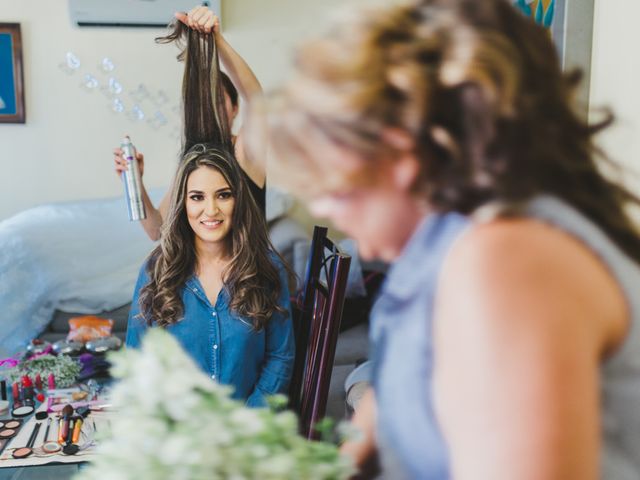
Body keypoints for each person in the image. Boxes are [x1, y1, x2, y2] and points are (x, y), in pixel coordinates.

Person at [258, 0, 640, 478]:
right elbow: (400, 391)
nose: (323, 210)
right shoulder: (435, 246)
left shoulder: (506, 260)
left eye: (335, 188)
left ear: (400, 155)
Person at [125, 144, 294, 407]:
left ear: (238, 200)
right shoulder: (155, 271)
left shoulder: (267, 269)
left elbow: (280, 357)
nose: (211, 210)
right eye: (197, 197)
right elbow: (137, 360)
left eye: (223, 195)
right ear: (183, 204)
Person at [114, 4, 265, 241]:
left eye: (218, 99)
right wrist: (135, 181)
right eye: (201, 101)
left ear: (235, 109)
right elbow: (157, 230)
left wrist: (217, 40)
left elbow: (256, 99)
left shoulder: (246, 152)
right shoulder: (192, 160)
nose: (209, 107)